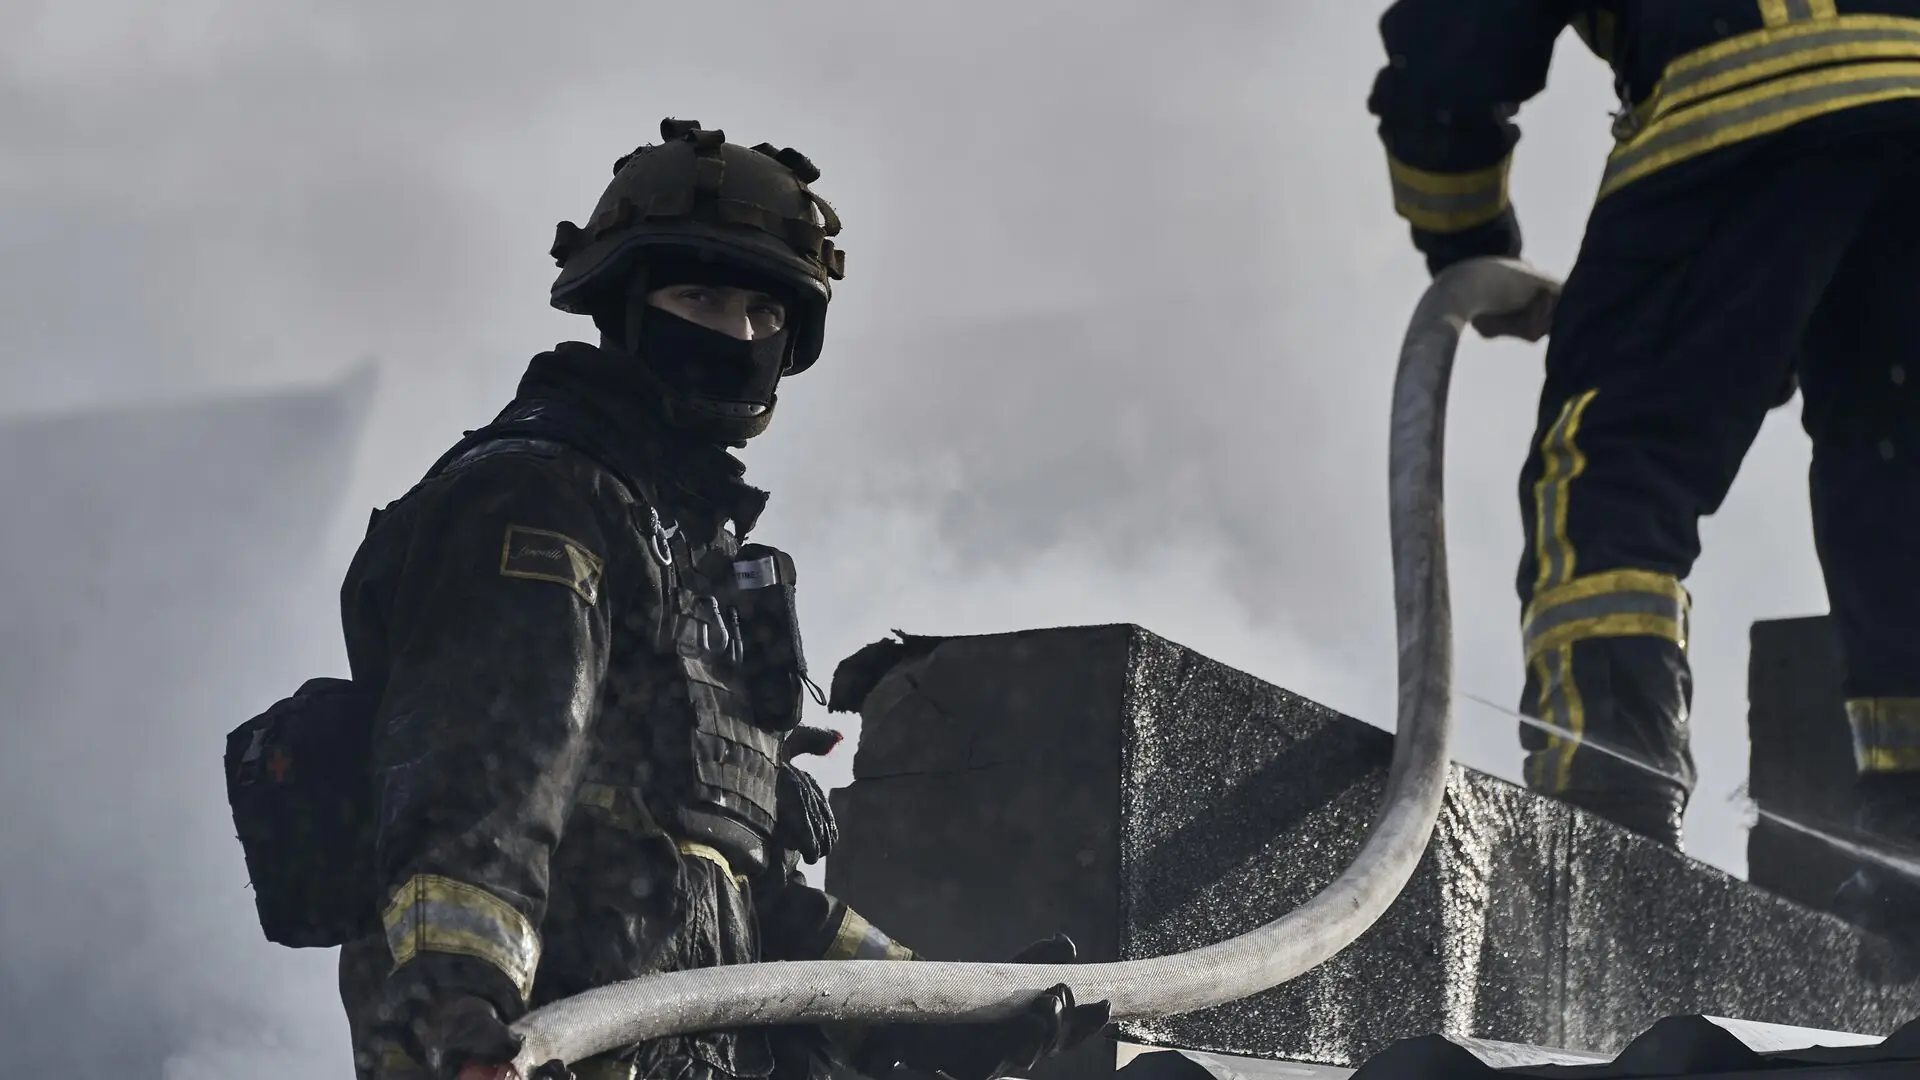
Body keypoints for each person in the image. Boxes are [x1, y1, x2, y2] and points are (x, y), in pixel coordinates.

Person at [333, 118, 1109, 1080]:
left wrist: (925, 1010)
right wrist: (466, 1004)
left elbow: (733, 887)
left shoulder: (700, 554)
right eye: (700, 298)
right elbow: (476, 783)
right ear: (623, 305)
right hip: (538, 1051)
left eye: (763, 311)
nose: (738, 335)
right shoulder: (536, 501)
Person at [1365, 1, 1920, 934]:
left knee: (1609, 480)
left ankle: (1610, 841)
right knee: (1897, 475)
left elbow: (1454, 50)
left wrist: (1467, 241)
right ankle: (1910, 857)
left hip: (1740, 115)